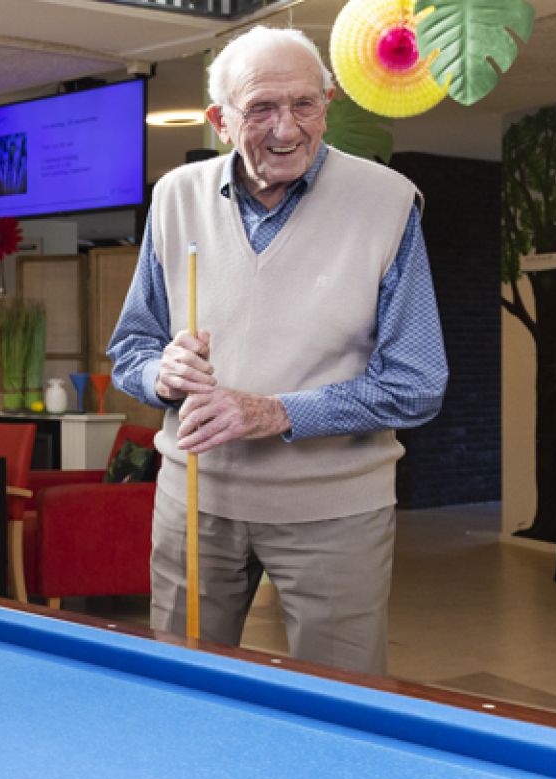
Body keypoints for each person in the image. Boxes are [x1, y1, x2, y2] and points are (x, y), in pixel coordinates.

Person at [107, 26, 448, 676]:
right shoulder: (176, 198)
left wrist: (275, 412)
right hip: (193, 504)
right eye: (261, 108)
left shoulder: (387, 203)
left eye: (305, 105)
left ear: (327, 102)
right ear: (221, 121)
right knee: (181, 687)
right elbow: (131, 349)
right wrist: (162, 372)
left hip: (334, 512)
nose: (286, 129)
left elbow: (417, 382)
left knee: (343, 710)